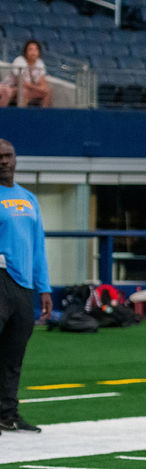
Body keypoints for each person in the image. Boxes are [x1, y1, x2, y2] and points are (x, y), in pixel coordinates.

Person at [0, 139, 51, 433]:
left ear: (16, 159)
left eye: (8, 156)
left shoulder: (29, 199)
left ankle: (7, 414)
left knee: (14, 351)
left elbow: (38, 247)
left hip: (23, 285)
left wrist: (44, 288)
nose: (4, 161)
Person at [0, 40, 52, 108]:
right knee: (21, 92)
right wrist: (38, 88)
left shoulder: (40, 63)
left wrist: (42, 88)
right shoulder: (19, 61)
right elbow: (20, 82)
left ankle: (43, 113)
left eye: (36, 49)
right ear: (25, 52)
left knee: (47, 92)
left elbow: (42, 82)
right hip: (10, 86)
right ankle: (18, 113)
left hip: (27, 88)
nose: (33, 52)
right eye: (30, 49)